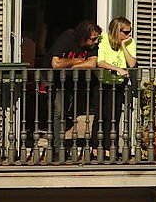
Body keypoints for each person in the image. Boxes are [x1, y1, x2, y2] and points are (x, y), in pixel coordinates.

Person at [47, 20, 102, 154]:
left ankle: (62, 144)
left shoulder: (92, 46)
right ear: (83, 37)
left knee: (69, 111)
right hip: (56, 79)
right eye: (93, 39)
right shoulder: (68, 38)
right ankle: (57, 147)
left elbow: (92, 63)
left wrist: (69, 65)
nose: (95, 42)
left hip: (75, 81)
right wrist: (79, 61)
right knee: (58, 111)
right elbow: (55, 63)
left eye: (97, 38)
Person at [94, 17, 136, 154]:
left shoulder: (129, 42)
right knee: (101, 115)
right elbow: (100, 62)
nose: (128, 35)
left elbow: (132, 64)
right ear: (116, 30)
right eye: (125, 32)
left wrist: (123, 45)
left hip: (118, 83)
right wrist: (117, 69)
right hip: (102, 82)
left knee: (114, 116)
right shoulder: (104, 39)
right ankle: (96, 148)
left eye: (130, 31)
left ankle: (110, 148)